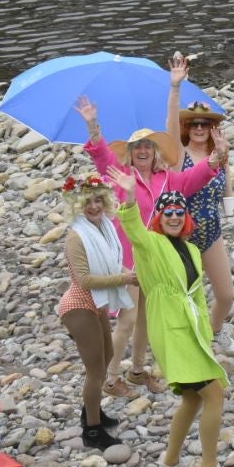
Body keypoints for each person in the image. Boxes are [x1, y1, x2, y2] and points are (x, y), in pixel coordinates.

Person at [109, 167, 234, 467]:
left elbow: (197, 295)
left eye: (178, 211)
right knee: (214, 393)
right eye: (167, 211)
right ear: (159, 216)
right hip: (170, 330)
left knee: (193, 400)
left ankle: (169, 462)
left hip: (190, 332)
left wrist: (206, 334)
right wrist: (128, 197)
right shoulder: (152, 245)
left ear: (185, 217)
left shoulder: (194, 251)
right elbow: (134, 232)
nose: (173, 216)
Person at [78, 95, 224, 396]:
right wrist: (93, 124)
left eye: (147, 146)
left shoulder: (168, 178)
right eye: (137, 148)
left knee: (148, 316)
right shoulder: (120, 176)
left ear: (154, 152)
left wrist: (216, 157)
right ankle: (110, 377)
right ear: (130, 154)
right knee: (128, 319)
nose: (142, 151)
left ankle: (137, 370)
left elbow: (196, 176)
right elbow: (101, 154)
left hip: (157, 258)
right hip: (128, 258)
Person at [55, 173, 139, 450]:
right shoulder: (77, 237)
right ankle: (92, 431)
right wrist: (126, 279)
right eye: (87, 202)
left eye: (98, 200)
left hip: (97, 303)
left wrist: (130, 273)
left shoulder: (105, 227)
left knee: (108, 358)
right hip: (79, 305)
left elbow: (113, 265)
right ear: (77, 206)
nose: (93, 206)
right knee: (94, 370)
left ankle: (91, 411)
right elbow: (86, 280)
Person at [167, 54, 234, 350]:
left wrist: (233, 203)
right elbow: (170, 126)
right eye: (194, 124)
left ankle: (214, 331)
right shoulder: (178, 154)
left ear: (212, 128)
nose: (199, 128)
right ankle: (184, 343)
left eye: (205, 124)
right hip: (182, 236)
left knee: (225, 295)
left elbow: (227, 188)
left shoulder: (220, 152)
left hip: (212, 232)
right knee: (185, 296)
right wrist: (175, 88)